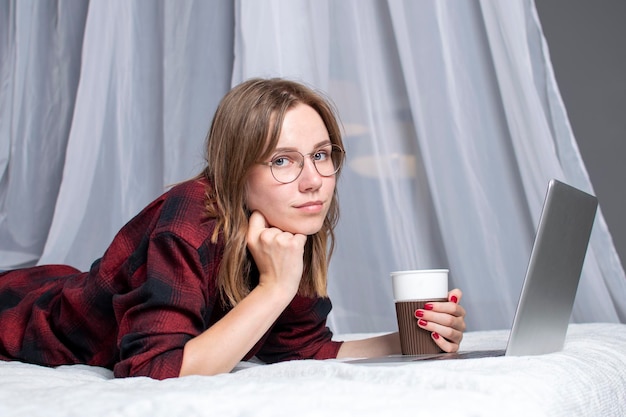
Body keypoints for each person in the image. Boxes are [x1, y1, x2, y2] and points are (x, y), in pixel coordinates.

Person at [0, 78, 466, 379]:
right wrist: (274, 289)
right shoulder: (186, 224)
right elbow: (153, 371)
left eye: (321, 155)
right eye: (282, 160)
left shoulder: (284, 224)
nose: (313, 181)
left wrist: (407, 339)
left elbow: (300, 348)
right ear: (237, 170)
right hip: (25, 319)